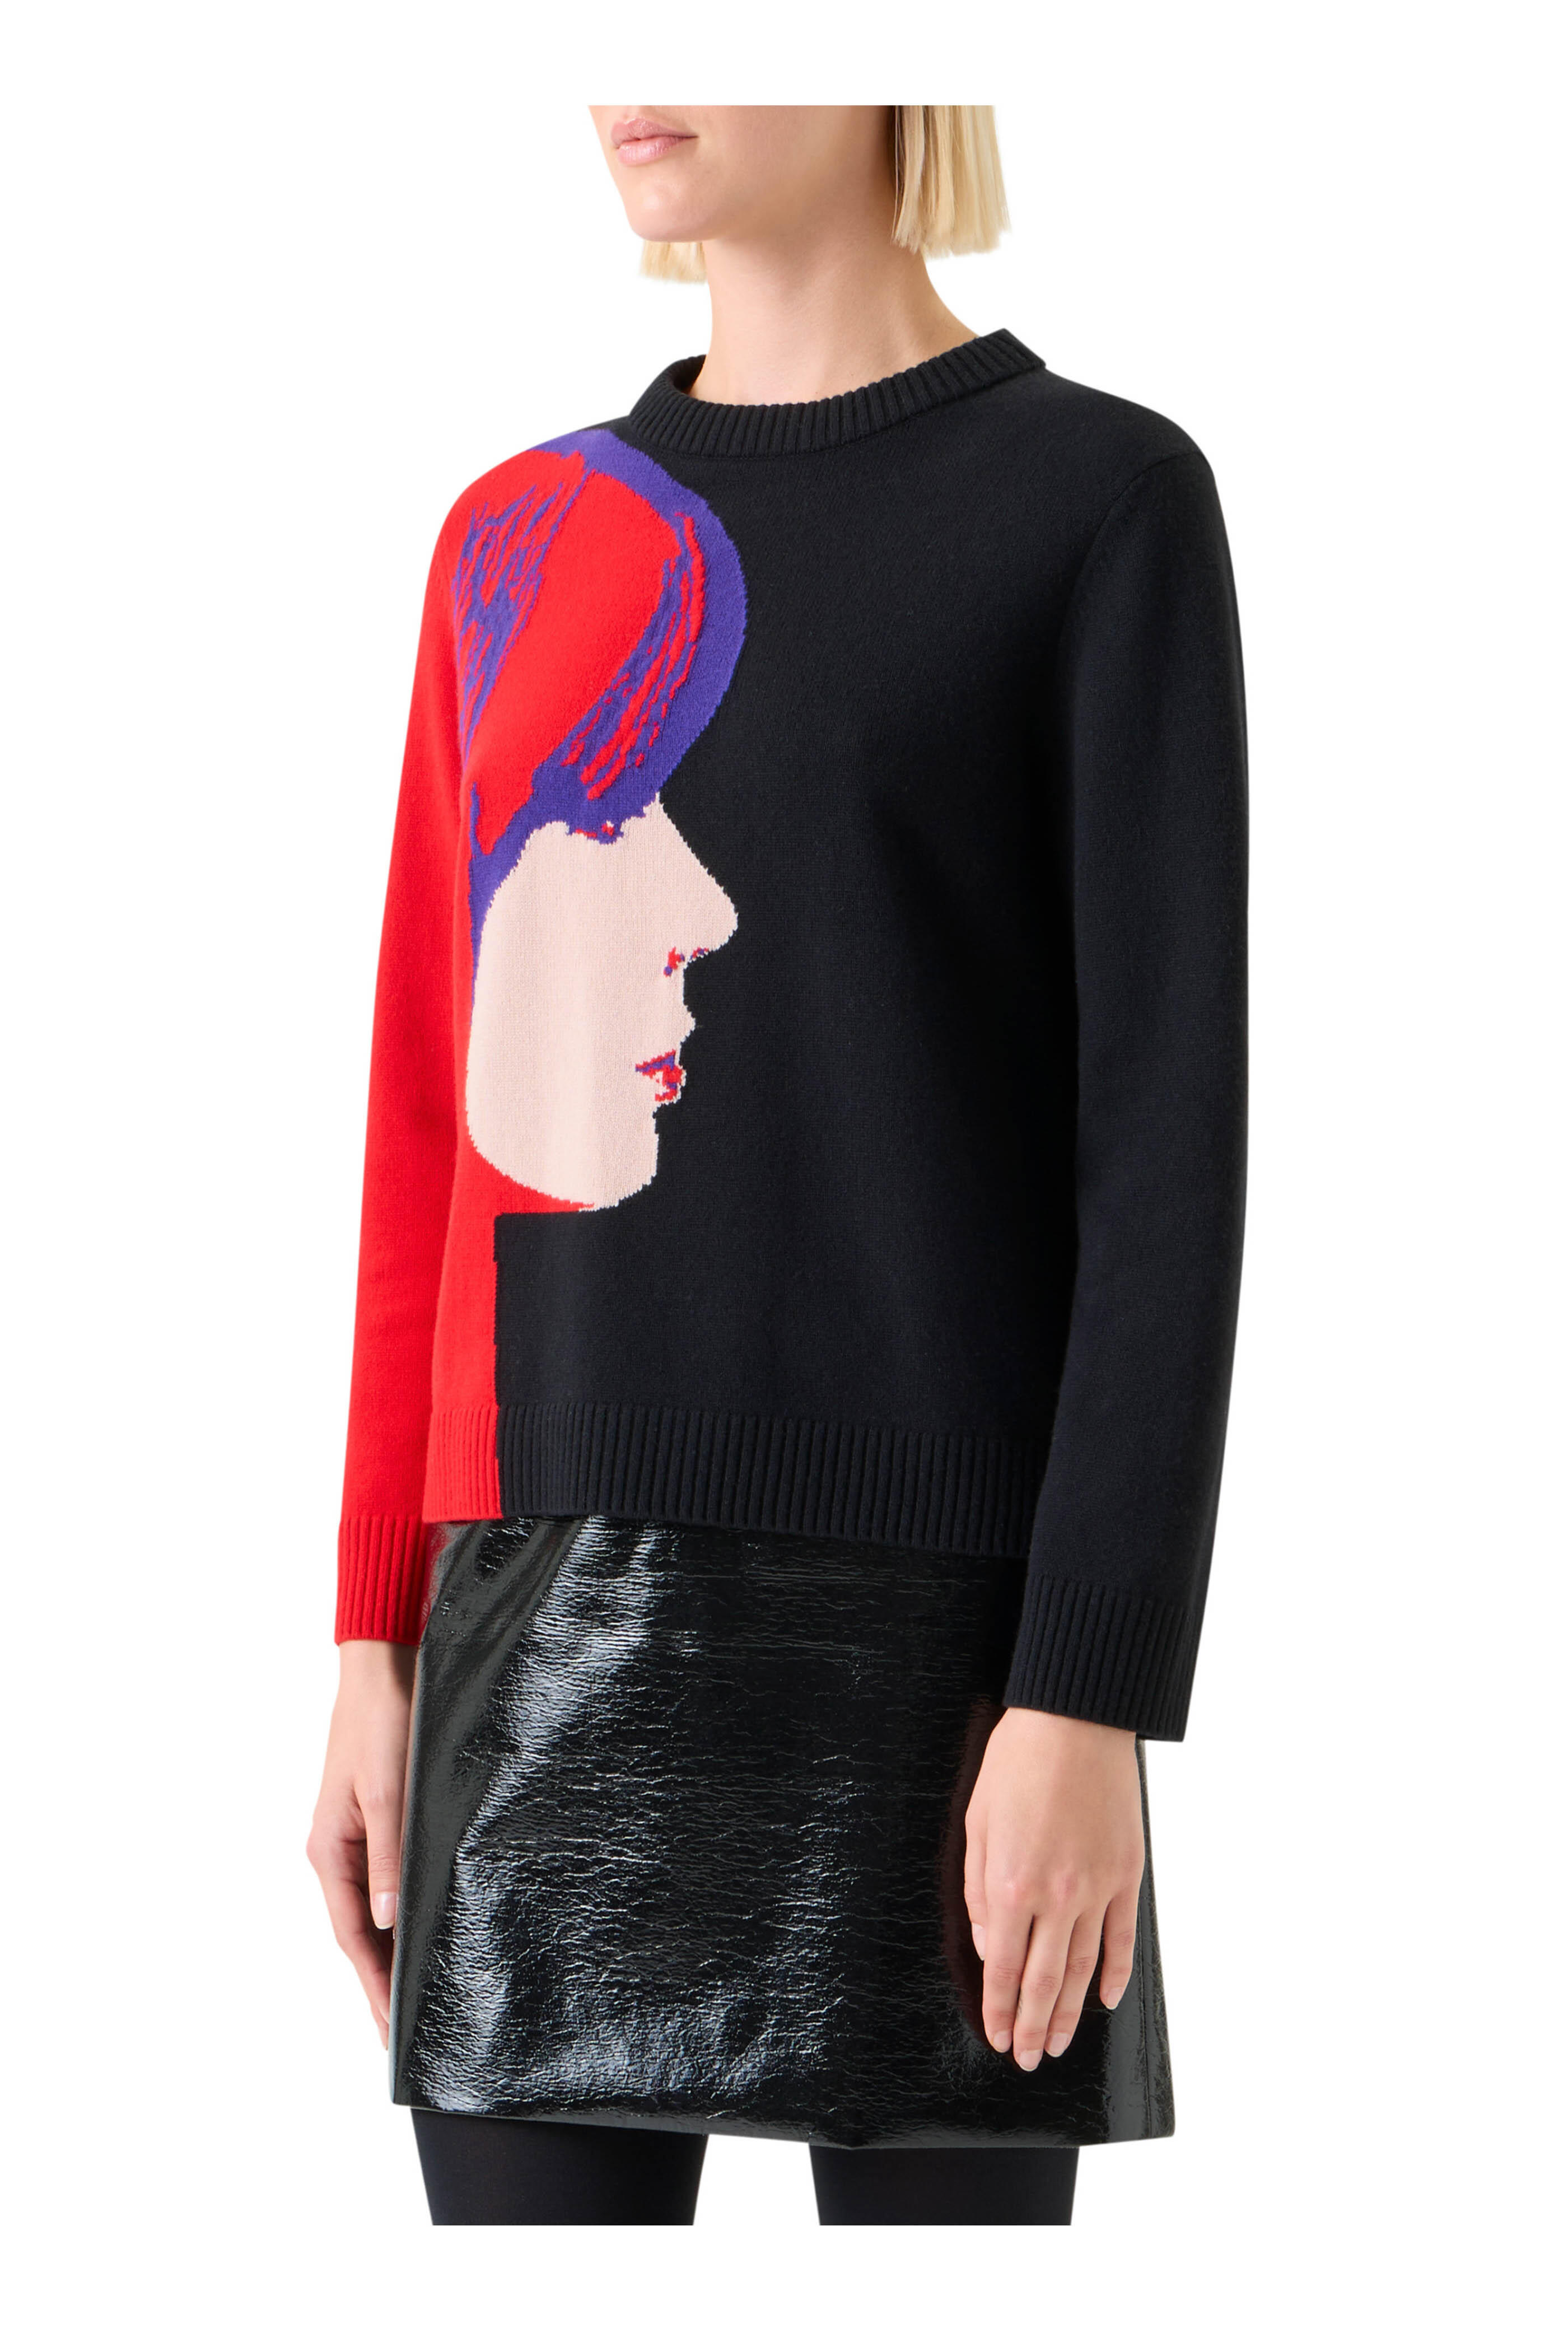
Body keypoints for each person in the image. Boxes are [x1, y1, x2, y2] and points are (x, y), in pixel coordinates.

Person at [308, 104, 1248, 2229]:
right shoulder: (517, 537)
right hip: (531, 1623)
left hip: (957, 1668)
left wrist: (1090, 1688)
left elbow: (1164, 1164)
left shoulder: (1099, 501)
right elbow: (423, 1120)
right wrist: (373, 1633)